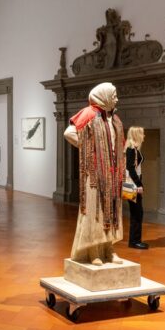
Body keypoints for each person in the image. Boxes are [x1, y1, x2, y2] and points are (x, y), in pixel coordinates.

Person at [63, 82, 125, 266]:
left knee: (111, 211)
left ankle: (108, 248)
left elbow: (118, 144)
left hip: (112, 173)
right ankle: (93, 251)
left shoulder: (115, 119)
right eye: (113, 96)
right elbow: (69, 133)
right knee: (94, 212)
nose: (116, 99)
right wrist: (88, 149)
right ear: (104, 96)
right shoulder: (90, 113)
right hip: (95, 174)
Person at [125, 126, 148, 249]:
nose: (144, 136)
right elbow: (130, 169)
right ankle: (134, 241)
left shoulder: (133, 149)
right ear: (137, 135)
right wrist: (139, 184)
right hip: (133, 184)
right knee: (137, 213)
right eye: (142, 134)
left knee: (137, 212)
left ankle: (135, 240)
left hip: (134, 183)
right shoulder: (131, 149)